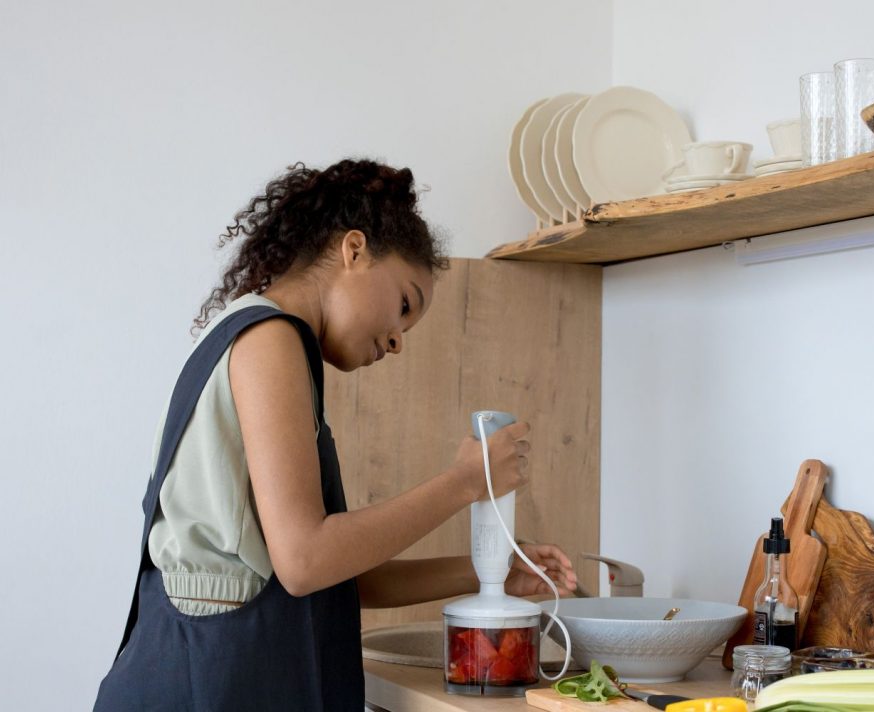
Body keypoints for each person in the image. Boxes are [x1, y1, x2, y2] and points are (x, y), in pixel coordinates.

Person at [94, 159, 578, 711]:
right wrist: (465, 482)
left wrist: (493, 572)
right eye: (403, 305)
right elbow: (306, 562)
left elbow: (337, 574)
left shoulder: (265, 339)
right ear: (354, 250)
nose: (397, 341)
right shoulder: (270, 338)